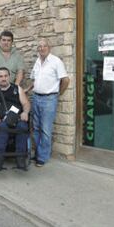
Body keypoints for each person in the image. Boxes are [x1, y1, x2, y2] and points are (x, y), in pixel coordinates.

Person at [28, 39, 69, 167]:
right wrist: (28, 89)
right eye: (39, 46)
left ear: (49, 47)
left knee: (45, 129)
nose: (41, 48)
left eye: (44, 46)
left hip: (49, 99)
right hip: (36, 98)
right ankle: (38, 153)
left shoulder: (56, 61)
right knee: (35, 128)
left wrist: (58, 94)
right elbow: (34, 80)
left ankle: (43, 157)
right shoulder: (37, 61)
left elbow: (66, 80)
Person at [0, 67, 30, 170]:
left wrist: (25, 112)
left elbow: (26, 103)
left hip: (16, 119)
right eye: (1, 76)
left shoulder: (17, 89)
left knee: (22, 126)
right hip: (0, 120)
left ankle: (20, 159)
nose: (3, 78)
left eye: (5, 76)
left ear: (9, 77)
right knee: (3, 127)